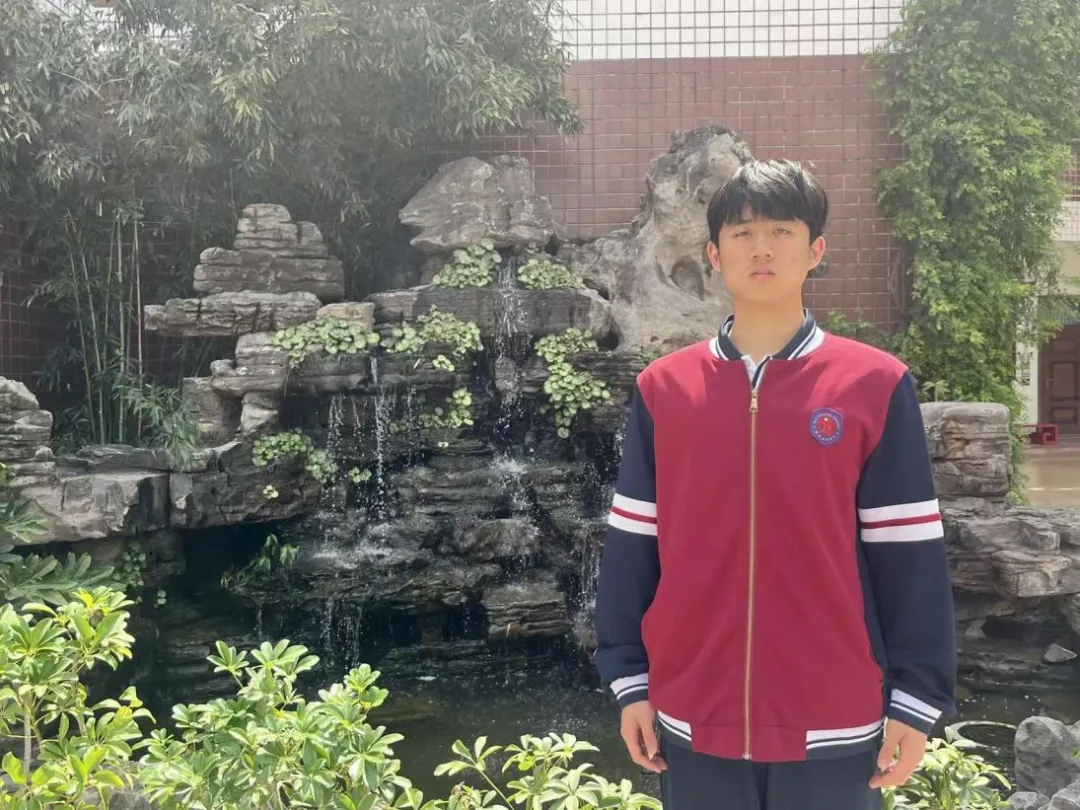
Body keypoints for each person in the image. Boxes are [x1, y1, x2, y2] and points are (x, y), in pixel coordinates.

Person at [593, 159, 957, 810]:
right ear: (714, 255)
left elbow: (909, 555)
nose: (762, 248)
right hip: (692, 718)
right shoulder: (663, 390)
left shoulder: (874, 386)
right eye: (742, 233)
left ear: (815, 250)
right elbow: (632, 548)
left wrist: (917, 698)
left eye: (782, 231)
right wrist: (629, 680)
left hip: (835, 720)